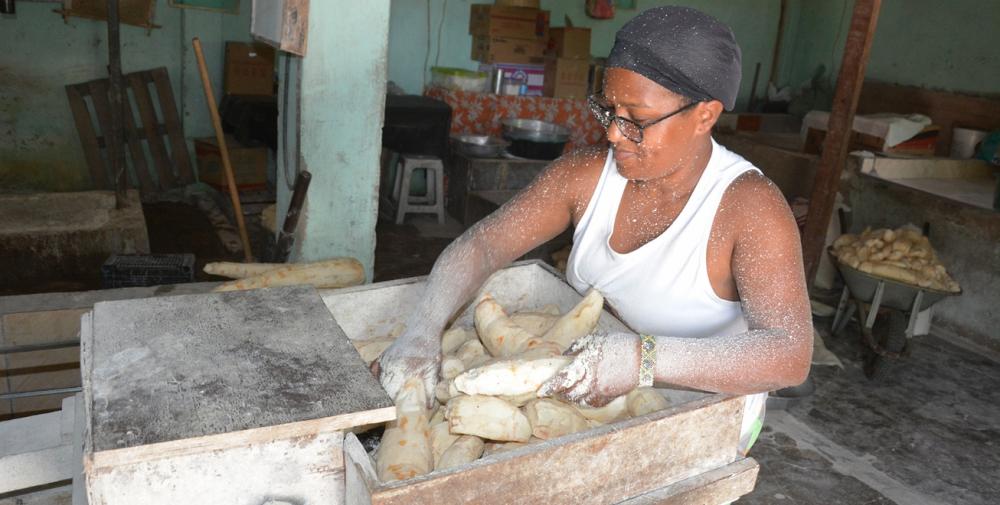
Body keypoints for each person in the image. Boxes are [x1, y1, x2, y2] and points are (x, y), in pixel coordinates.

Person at [374, 5, 813, 453]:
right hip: (586, 407)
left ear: (705, 115)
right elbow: (484, 245)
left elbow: (789, 354)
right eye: (608, 111)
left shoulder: (748, 207)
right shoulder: (585, 176)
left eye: (636, 120)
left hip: (697, 426)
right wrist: (422, 331)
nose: (614, 136)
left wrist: (642, 358)